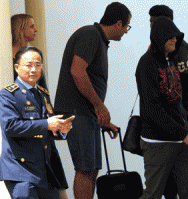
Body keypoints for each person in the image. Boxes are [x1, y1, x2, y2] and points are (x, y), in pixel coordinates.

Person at [54, 2, 131, 199]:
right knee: (86, 169)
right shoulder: (90, 35)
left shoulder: (98, 38)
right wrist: (99, 106)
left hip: (87, 115)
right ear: (119, 23)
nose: (126, 32)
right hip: (77, 113)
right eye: (127, 27)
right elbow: (77, 71)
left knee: (93, 168)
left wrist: (102, 117)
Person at [136, 16, 188, 199]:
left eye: (176, 36)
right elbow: (152, 108)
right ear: (159, 36)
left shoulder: (170, 60)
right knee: (153, 194)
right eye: (171, 36)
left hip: (180, 140)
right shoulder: (146, 64)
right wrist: (183, 133)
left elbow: (178, 100)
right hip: (157, 143)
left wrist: (183, 127)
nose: (175, 39)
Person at [0, 46, 72, 198]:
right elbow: (10, 126)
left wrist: (60, 129)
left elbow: (46, 128)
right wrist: (47, 124)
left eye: (38, 65)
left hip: (45, 169)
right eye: (29, 65)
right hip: (21, 170)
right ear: (17, 67)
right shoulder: (8, 94)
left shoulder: (42, 94)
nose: (34, 69)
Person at [148, 5, 188, 199]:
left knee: (178, 182)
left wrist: (183, 117)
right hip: (164, 124)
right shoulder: (158, 48)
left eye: (153, 22)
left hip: (174, 123)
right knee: (166, 181)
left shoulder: (179, 48)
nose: (150, 27)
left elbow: (186, 83)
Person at [11, 14, 47, 90]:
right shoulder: (7, 55)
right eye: (31, 26)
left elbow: (41, 84)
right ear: (21, 29)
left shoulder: (33, 53)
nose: (36, 30)